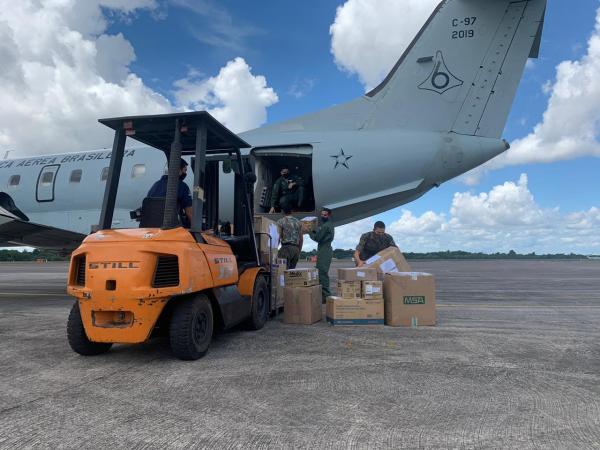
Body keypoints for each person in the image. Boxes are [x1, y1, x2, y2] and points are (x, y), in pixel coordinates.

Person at [147, 158, 192, 226]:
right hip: (172, 227)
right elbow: (189, 212)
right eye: (184, 170)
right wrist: (201, 229)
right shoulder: (182, 186)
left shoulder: (155, 185)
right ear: (179, 170)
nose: (185, 173)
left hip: (152, 226)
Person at [309, 208, 335, 303]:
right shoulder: (328, 225)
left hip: (324, 250)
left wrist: (310, 232)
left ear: (329, 215)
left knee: (322, 273)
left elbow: (318, 238)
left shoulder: (326, 226)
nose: (323, 216)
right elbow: (321, 235)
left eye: (325, 215)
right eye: (322, 214)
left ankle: (326, 296)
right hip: (325, 249)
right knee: (321, 272)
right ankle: (324, 296)